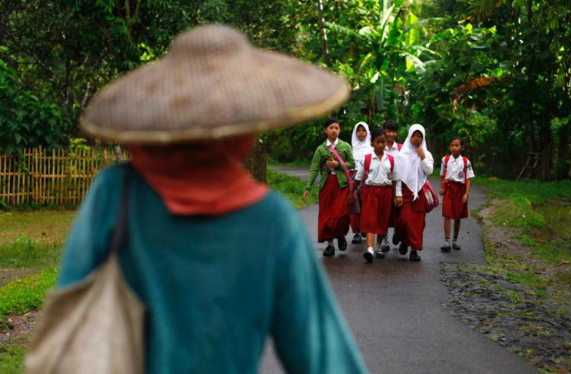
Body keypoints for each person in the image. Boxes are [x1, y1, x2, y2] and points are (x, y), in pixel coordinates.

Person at [57, 25, 368, 374]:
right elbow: (326, 359)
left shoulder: (115, 194)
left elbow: (70, 313)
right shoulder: (270, 221)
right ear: (245, 137)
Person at [303, 118, 355, 257]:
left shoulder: (345, 147)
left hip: (342, 185)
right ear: (326, 130)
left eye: (336, 128)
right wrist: (308, 187)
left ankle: (341, 236)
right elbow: (314, 169)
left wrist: (338, 164)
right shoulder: (320, 149)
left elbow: (352, 164)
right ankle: (330, 245)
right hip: (326, 186)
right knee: (327, 217)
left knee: (341, 215)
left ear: (340, 130)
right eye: (331, 127)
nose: (334, 130)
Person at [350, 129, 402, 263]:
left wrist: (397, 195)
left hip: (386, 193)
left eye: (383, 142)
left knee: (382, 221)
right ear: (372, 143)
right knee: (370, 221)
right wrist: (351, 191)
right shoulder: (367, 159)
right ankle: (369, 250)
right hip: (370, 193)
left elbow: (396, 179)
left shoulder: (391, 159)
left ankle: (378, 246)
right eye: (378, 142)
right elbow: (358, 177)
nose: (381, 144)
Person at [395, 124, 434, 262]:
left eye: (419, 136)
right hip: (405, 192)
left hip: (420, 193)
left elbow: (429, 171)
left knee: (418, 223)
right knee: (404, 220)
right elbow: (398, 176)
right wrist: (398, 193)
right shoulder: (401, 155)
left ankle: (414, 250)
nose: (416, 139)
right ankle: (404, 240)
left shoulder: (427, 154)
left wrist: (422, 156)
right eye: (414, 135)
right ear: (409, 136)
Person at [439, 136, 475, 251]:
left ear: (462, 147)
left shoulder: (465, 161)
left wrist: (466, 193)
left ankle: (455, 239)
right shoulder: (445, 160)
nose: (454, 148)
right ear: (449, 147)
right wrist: (442, 187)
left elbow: (469, 178)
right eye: (452, 145)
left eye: (457, 145)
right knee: (447, 214)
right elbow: (442, 175)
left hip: (460, 190)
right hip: (449, 189)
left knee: (458, 216)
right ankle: (446, 241)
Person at [350, 122, 372, 244]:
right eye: (359, 130)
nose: (361, 132)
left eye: (364, 130)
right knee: (355, 207)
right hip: (354, 182)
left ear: (367, 132)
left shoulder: (371, 149)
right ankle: (356, 232)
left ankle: (365, 229)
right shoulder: (350, 150)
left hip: (367, 182)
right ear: (355, 133)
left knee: (366, 207)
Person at [382, 120, 403, 251]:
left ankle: (396, 232)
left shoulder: (401, 149)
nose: (391, 134)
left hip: (397, 184)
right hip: (383, 185)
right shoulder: (378, 146)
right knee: (383, 214)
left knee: (397, 213)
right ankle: (384, 240)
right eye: (388, 131)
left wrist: (399, 192)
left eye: (394, 131)